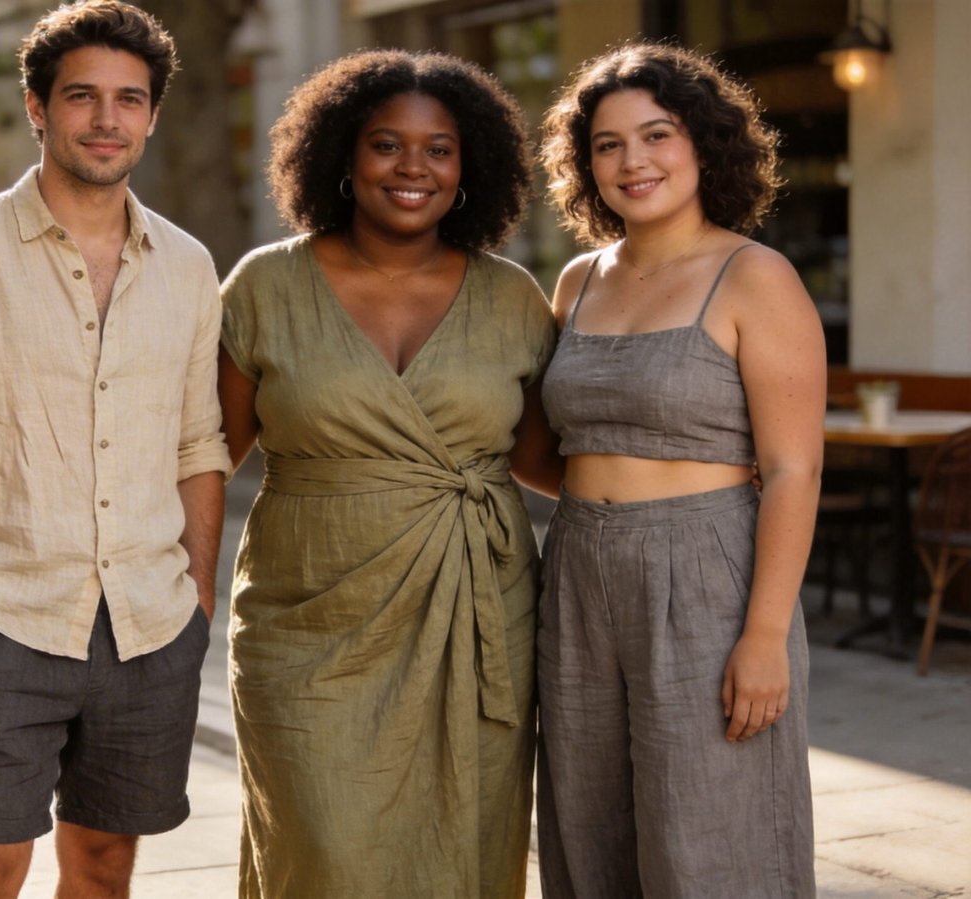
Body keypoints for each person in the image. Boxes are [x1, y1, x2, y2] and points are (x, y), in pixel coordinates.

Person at [0, 2, 228, 896]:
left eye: (129, 99)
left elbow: (198, 445)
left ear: (151, 115)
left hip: (150, 626)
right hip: (3, 620)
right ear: (37, 106)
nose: (107, 118)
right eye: (82, 96)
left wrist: (196, 605)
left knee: (104, 869)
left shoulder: (187, 266)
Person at [217, 50, 560, 898]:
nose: (414, 167)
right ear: (340, 155)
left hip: (478, 612)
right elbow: (204, 455)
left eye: (439, 148)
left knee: (468, 840)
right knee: (319, 845)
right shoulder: (266, 284)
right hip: (307, 620)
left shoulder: (514, 295)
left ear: (468, 165)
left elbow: (541, 462)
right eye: (386, 145)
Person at [534, 43, 823, 898]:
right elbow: (554, 447)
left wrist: (765, 635)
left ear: (702, 144)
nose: (634, 161)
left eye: (656, 135)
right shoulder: (578, 280)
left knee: (711, 827)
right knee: (590, 822)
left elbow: (795, 468)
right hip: (579, 567)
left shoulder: (754, 276)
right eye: (607, 145)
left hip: (707, 572)